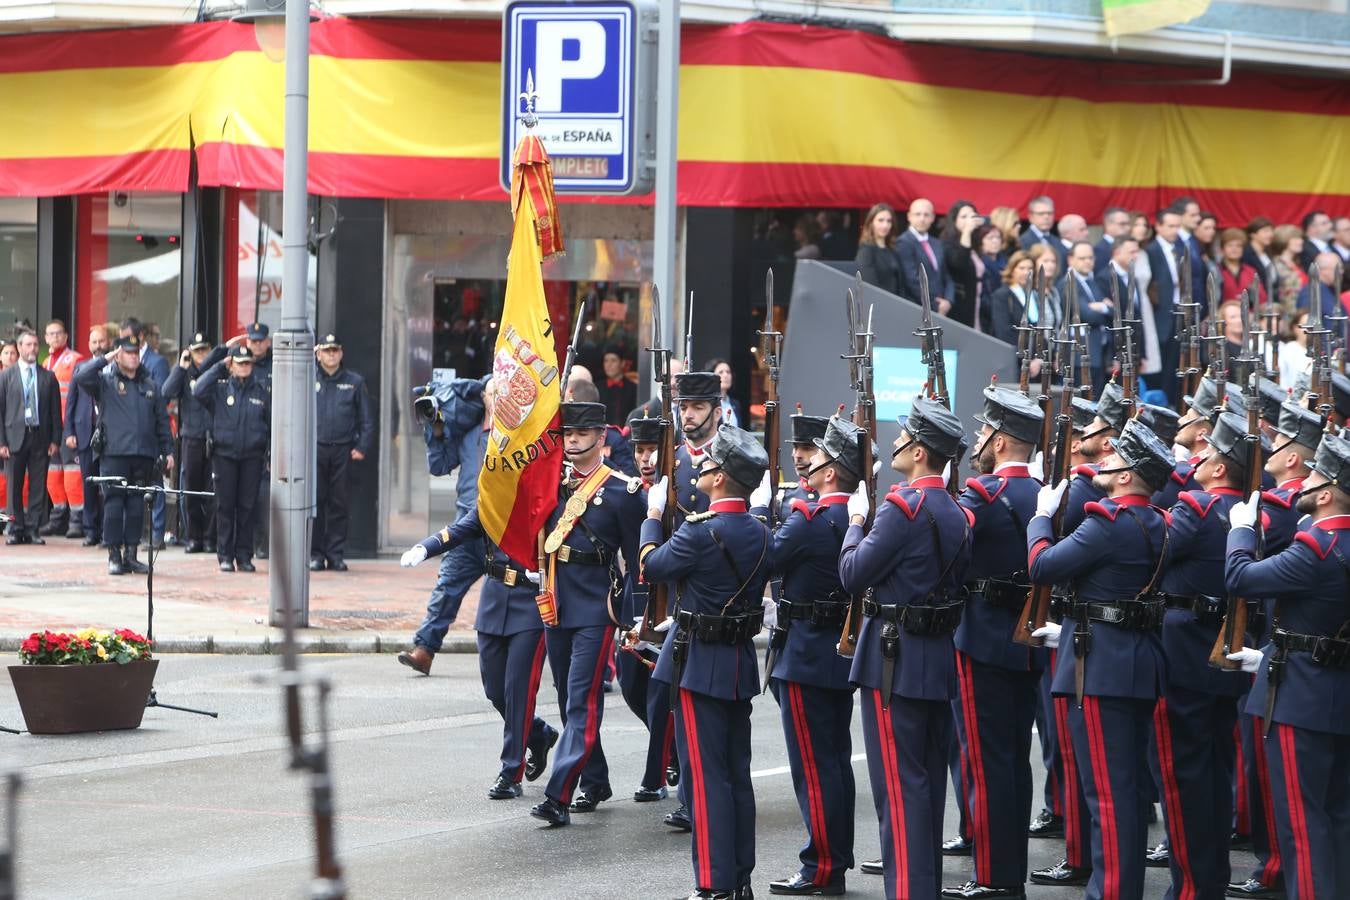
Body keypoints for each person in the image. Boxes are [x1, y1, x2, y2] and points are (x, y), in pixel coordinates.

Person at [1026, 418, 1175, 900]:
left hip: (1099, 668)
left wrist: (1039, 521)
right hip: (1133, 664)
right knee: (1126, 793)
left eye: (1114, 459)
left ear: (1129, 476)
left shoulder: (1107, 523)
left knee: (1106, 797)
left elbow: (1043, 566)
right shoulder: (1158, 522)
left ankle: (1110, 892)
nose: (1103, 461)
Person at [840, 398, 972, 900]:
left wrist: (856, 523)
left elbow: (852, 574)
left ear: (919, 452)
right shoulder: (959, 512)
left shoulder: (903, 507)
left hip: (892, 659)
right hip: (935, 656)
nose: (895, 443)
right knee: (926, 786)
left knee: (898, 789)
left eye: (903, 438)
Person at [639, 423, 772, 900]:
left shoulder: (701, 534)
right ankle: (740, 878)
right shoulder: (760, 531)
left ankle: (714, 883)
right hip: (737, 663)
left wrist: (653, 517)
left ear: (719, 479)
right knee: (737, 774)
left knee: (707, 778)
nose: (700, 468)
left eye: (708, 464)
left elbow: (652, 566)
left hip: (699, 663)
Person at [1223, 431, 1350, 900]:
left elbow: (1239, 578)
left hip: (1300, 698)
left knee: (1303, 821)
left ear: (1324, 493)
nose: (1303, 483)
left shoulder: (1315, 549)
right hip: (1336, 690)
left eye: (1314, 476)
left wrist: (1239, 530)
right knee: (1337, 818)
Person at [1154, 412, 1267, 900]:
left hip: (1183, 661)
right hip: (1221, 660)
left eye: (1207, 456)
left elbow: (1150, 555)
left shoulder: (1196, 511)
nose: (1197, 461)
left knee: (1183, 782)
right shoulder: (1247, 515)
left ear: (1220, 469)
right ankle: (1210, 884)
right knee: (1215, 778)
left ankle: (1194, 890)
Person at [943, 387, 1046, 900]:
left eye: (984, 432)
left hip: (982, 639)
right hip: (1028, 645)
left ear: (1002, 442)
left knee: (984, 762)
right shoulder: (1047, 494)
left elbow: (947, 550)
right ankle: (1010, 872)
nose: (980, 439)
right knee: (1013, 761)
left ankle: (994, 877)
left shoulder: (981, 498)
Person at [528, 400, 646, 827]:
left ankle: (558, 794)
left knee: (581, 701)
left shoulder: (622, 491)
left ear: (601, 436)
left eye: (580, 434)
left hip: (596, 608)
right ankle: (595, 779)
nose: (572, 440)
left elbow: (638, 563)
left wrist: (635, 620)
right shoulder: (550, 484)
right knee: (565, 698)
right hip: (556, 603)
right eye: (566, 434)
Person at [758, 415, 861, 896]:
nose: (807, 466)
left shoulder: (810, 518)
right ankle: (836, 855)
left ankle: (823, 866)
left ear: (831, 472)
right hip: (838, 655)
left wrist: (762, 513)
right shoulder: (856, 518)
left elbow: (766, 559)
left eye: (816, 459)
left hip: (803, 652)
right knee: (835, 761)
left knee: (813, 769)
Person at [399, 495, 560, 800]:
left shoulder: (550, 495)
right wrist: (426, 547)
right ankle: (538, 734)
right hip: (495, 598)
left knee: (518, 691)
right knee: (495, 690)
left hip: (531, 602)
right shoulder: (495, 497)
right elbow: (460, 530)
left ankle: (511, 771)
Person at [397, 374, 490, 675]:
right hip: (467, 524)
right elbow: (439, 466)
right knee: (447, 587)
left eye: (499, 392)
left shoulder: (517, 433)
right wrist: (436, 430)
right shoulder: (469, 430)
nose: (493, 398)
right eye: (489, 393)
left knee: (520, 596)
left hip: (504, 526)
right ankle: (424, 651)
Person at [613, 416, 680, 805]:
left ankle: (655, 776)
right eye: (639, 450)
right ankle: (670, 752)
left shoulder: (680, 492)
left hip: (671, 602)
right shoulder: (629, 492)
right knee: (630, 686)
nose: (645, 457)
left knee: (659, 694)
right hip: (636, 600)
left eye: (653, 450)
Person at [73, 334, 174, 575]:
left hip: (142, 455)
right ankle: (114, 555)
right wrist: (104, 359)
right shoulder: (106, 381)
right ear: (119, 356)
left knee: (137, 506)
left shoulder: (150, 384)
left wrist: (167, 450)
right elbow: (81, 377)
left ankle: (131, 554)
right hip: (114, 454)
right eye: (128, 353)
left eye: (136, 353)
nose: (133, 357)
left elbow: (161, 421)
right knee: (114, 505)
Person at [193, 344, 270, 573]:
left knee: (247, 507)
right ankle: (225, 555)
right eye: (240, 363)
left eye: (248, 363)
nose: (244, 367)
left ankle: (244, 556)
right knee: (225, 507)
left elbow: (271, 423)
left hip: (252, 456)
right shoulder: (220, 389)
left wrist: (269, 453)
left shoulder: (261, 391)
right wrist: (219, 367)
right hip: (225, 455)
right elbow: (198, 390)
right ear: (232, 365)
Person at [310, 334, 373, 572]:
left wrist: (362, 447)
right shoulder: (309, 378)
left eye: (335, 350)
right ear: (318, 354)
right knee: (315, 503)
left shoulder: (354, 381)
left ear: (341, 353)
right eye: (326, 351)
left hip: (343, 451)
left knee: (339, 504)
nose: (331, 355)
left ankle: (335, 554)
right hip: (316, 449)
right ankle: (315, 555)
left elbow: (366, 419)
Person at [163, 333, 223, 554]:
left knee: (213, 490)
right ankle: (194, 537)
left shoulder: (216, 371)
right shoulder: (184, 372)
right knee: (191, 490)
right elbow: (166, 393)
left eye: (204, 350)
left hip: (214, 436)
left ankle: (210, 538)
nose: (201, 355)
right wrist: (180, 368)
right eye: (197, 351)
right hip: (192, 438)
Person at [0, 330, 61, 545]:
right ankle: (15, 528)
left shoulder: (48, 376)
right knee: (13, 487)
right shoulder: (6, 377)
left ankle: (33, 528)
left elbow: (55, 412)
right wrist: (2, 442)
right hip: (14, 437)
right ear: (19, 347)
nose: (32, 349)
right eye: (28, 345)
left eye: (35, 345)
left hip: (40, 436)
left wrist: (55, 440)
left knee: (38, 484)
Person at [63, 326, 109, 547]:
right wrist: (69, 431)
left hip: (109, 436)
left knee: (108, 484)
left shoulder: (113, 366)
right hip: (85, 432)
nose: (98, 345)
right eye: (94, 342)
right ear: (89, 345)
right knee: (89, 483)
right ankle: (91, 530)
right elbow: (71, 401)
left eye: (101, 341)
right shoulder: (80, 368)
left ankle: (107, 530)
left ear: (108, 343)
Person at [39, 319, 84, 538]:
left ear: (66, 337)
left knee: (73, 475)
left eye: (58, 333)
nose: (55, 337)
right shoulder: (45, 363)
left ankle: (77, 521)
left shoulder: (76, 360)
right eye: (50, 334)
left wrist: (73, 429)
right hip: (50, 431)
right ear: (46, 338)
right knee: (52, 475)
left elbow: (79, 399)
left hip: (69, 428)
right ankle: (57, 518)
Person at [1062, 240, 1113, 397]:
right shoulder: (1069, 282)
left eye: (1090, 258)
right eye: (1082, 258)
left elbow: (1114, 310)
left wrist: (1103, 307)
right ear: (1071, 259)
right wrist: (1104, 308)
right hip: (1081, 353)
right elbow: (1086, 315)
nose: (1087, 261)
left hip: (1098, 352)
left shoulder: (1090, 281)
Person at [1147, 208, 1185, 405]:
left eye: (1178, 226)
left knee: (1173, 363)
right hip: (1160, 314)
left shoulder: (1177, 249)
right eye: (1170, 226)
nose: (1175, 230)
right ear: (1158, 226)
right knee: (1160, 363)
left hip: (1176, 312)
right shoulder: (1151, 250)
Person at [896, 198, 954, 314]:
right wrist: (935, 305)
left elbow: (946, 275)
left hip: (942, 308)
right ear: (909, 216)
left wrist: (948, 300)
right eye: (917, 214)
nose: (922, 219)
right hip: (918, 308)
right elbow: (912, 280)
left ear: (932, 218)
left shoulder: (937, 243)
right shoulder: (903, 242)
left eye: (926, 215)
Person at [940, 199, 983, 328]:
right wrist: (967, 232)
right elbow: (960, 263)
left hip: (976, 301)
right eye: (964, 217)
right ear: (954, 220)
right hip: (959, 304)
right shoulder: (947, 243)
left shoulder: (975, 243)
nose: (969, 221)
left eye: (972, 216)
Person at [854, 203, 902, 296]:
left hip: (897, 303)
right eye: (880, 220)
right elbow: (870, 285)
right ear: (871, 223)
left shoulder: (892, 249)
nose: (885, 225)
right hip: (880, 303)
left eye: (889, 221)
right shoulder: (866, 250)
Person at [1271, 224, 1309, 324]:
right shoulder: (1276, 265)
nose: (1301, 241)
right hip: (1289, 319)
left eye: (1300, 238)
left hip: (1301, 314)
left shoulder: (1297, 264)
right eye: (1296, 238)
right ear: (1284, 240)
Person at [972, 224, 1005, 334]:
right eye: (990, 238)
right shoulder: (978, 264)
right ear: (980, 241)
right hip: (986, 315)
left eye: (998, 237)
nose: (995, 241)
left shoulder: (1005, 262)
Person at [1220, 229, 1267, 302]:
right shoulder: (1217, 270)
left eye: (1238, 246)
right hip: (1225, 312)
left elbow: (1262, 297)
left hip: (1248, 312)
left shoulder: (1251, 271)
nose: (1234, 249)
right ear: (1222, 249)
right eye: (1230, 245)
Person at [1020, 196, 1064, 271]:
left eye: (1050, 213)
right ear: (1031, 217)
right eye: (1041, 214)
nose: (1046, 217)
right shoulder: (1021, 242)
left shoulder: (1058, 242)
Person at [596, 346, 636, 426]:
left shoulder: (633, 388)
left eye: (613, 361)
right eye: (606, 361)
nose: (609, 365)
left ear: (622, 363)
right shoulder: (596, 388)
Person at [1296, 251, 1343, 319]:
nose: (1342, 272)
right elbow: (1306, 322)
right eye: (1339, 268)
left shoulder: (1330, 290)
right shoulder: (1310, 292)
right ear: (1324, 270)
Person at [707, 358, 744, 428]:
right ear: (712, 377)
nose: (726, 375)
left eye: (728, 372)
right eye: (721, 372)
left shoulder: (735, 404)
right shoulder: (707, 403)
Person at [1278, 311, 1309, 391]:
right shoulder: (1289, 350)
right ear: (1295, 328)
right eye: (1305, 325)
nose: (1309, 330)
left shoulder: (1318, 352)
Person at [1094, 207, 1131, 273]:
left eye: (1128, 224)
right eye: (1122, 224)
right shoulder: (1100, 250)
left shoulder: (1126, 245)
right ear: (1108, 225)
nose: (1128, 228)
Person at [1244, 216, 1276, 290]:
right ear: (1253, 234)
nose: (1270, 234)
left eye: (1271, 231)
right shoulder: (1247, 254)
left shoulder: (1268, 252)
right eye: (1266, 231)